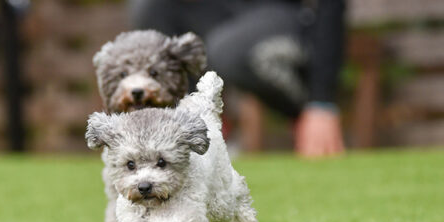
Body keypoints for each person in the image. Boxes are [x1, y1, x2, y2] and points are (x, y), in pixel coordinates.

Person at [129, 0, 345, 157]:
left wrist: (321, 101)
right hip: (217, 14)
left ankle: (305, 117)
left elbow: (331, 6)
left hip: (285, 16)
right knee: (151, 6)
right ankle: (193, 130)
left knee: (227, 51)